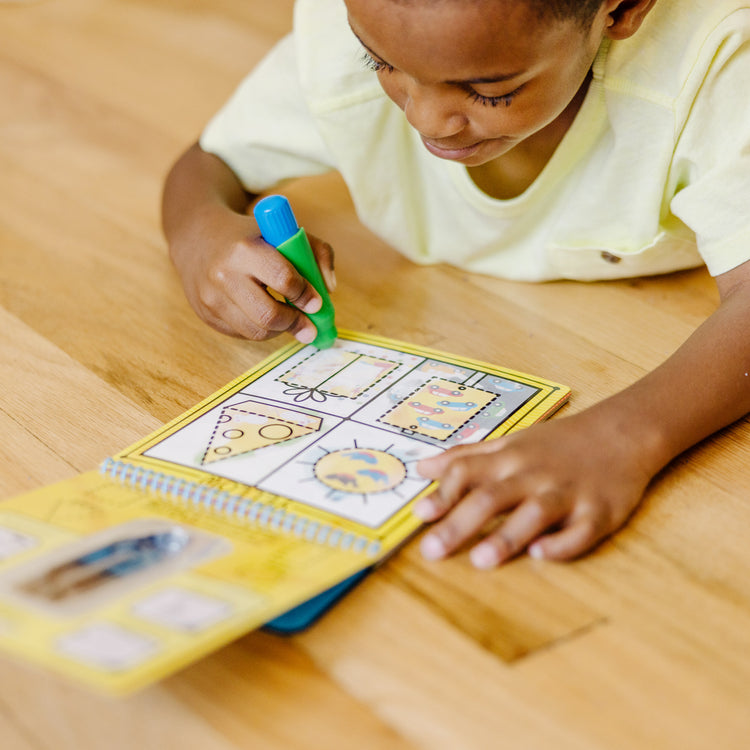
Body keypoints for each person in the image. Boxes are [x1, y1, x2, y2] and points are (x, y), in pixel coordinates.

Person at [161, 0, 750, 568]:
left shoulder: (717, 61)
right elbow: (209, 163)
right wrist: (198, 234)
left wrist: (624, 436)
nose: (425, 119)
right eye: (380, 64)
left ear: (620, 10)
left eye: (490, 91)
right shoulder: (358, 29)